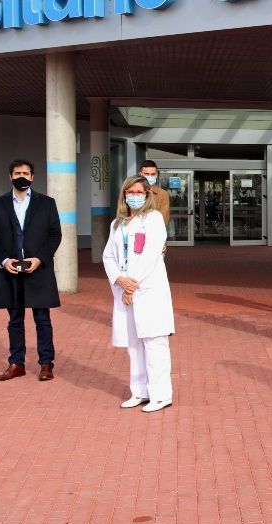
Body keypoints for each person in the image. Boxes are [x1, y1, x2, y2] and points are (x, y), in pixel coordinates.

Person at [0, 159, 63, 383]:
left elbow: (54, 235)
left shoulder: (46, 203)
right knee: (15, 320)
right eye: (18, 173)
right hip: (10, 270)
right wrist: (3, 260)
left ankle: (46, 364)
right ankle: (16, 363)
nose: (22, 176)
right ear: (10, 176)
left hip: (37, 269)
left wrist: (40, 259)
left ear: (32, 176)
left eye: (26, 173)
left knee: (42, 320)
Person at [102, 176, 176, 412]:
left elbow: (151, 254)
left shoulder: (153, 219)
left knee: (154, 342)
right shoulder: (118, 223)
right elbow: (109, 256)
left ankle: (161, 394)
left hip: (147, 290)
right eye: (130, 192)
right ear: (123, 195)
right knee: (133, 344)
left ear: (147, 194)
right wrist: (119, 280)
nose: (134, 196)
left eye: (139, 192)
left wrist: (130, 284)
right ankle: (140, 391)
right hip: (125, 290)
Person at [138, 160, 171, 225]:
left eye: (153, 174)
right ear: (140, 174)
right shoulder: (132, 191)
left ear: (156, 175)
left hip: (153, 232)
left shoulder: (162, 194)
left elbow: (164, 219)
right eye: (146, 174)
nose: (150, 176)